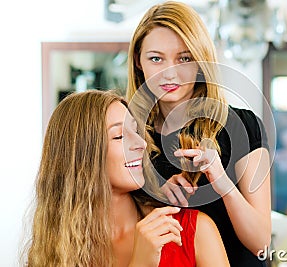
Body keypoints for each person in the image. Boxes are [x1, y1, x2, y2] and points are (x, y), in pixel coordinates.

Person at [126, 1, 272, 266]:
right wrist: (154, 198)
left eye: (184, 58)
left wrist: (222, 183)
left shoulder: (244, 127)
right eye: (156, 58)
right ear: (138, 61)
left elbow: (261, 243)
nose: (170, 73)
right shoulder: (129, 136)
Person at [24, 90, 229, 267]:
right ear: (81, 156)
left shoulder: (192, 232)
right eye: (120, 136)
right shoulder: (55, 249)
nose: (141, 143)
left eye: (136, 131)